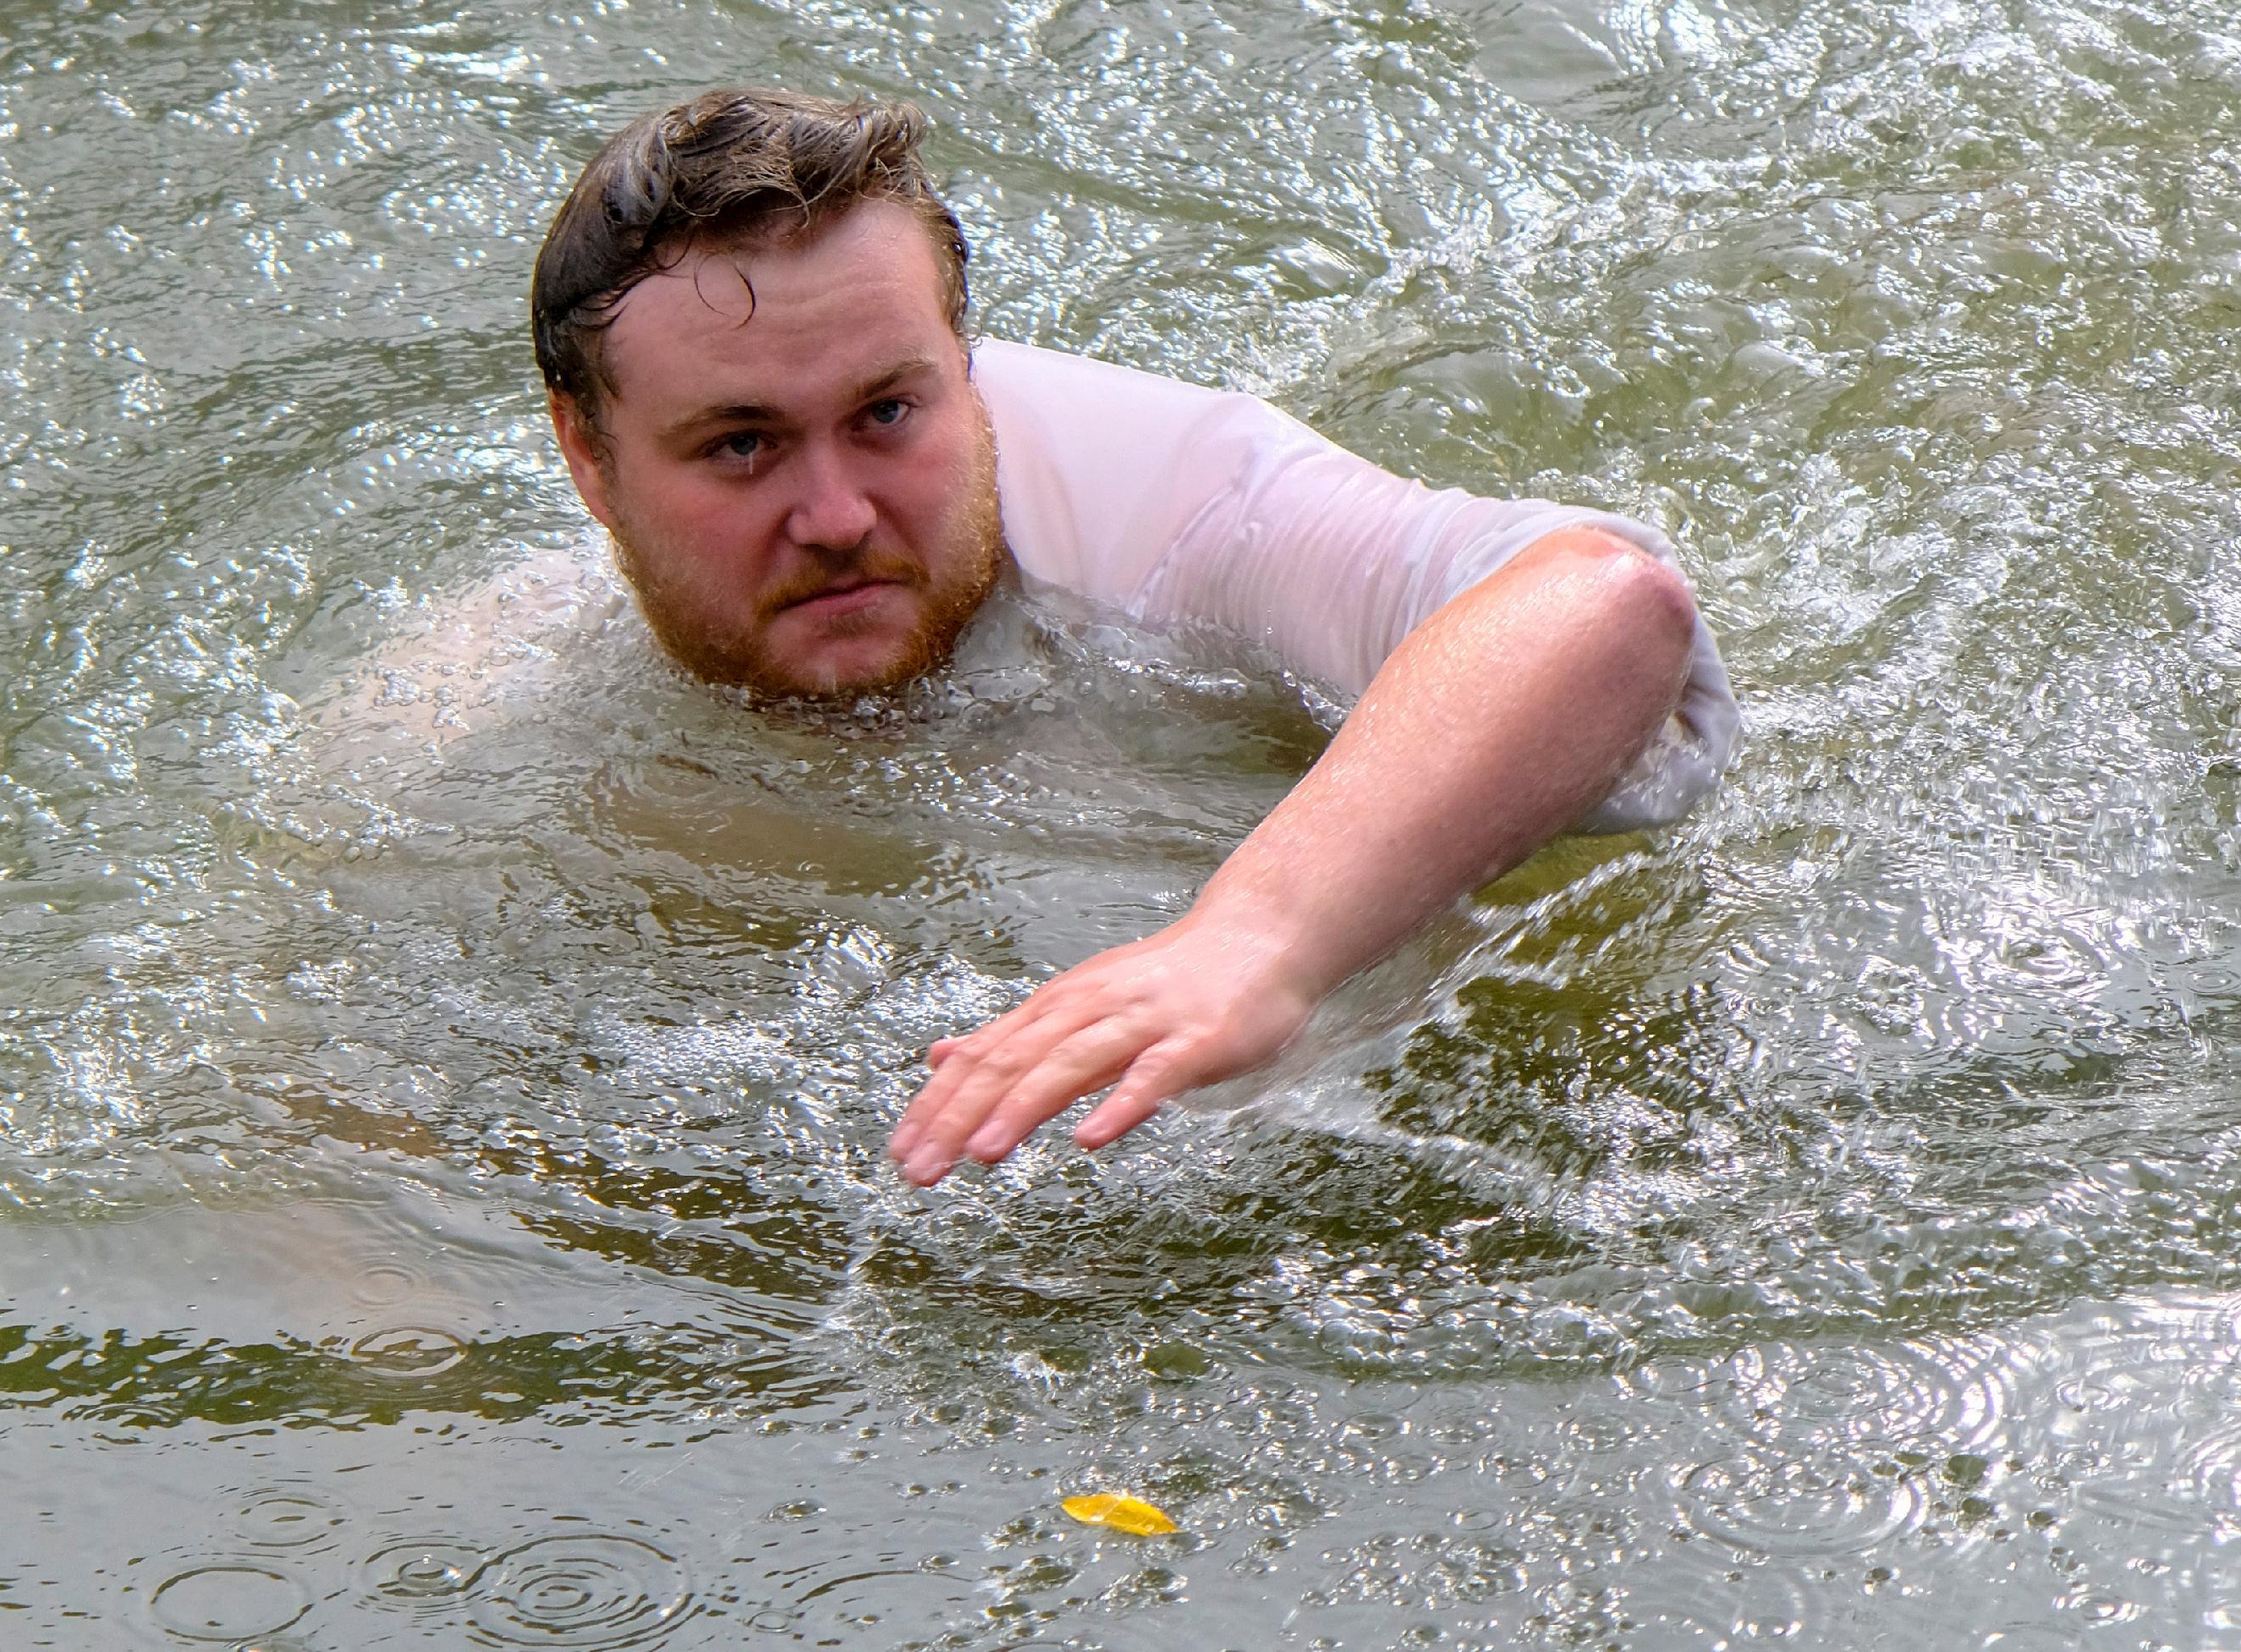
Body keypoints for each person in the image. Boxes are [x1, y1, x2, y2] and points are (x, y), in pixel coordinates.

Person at [447, 86, 1736, 1187]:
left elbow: (1609, 609)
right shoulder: (479, 688)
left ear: (967, 365)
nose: (837, 516)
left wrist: (1249, 945)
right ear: (589, 459)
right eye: (742, 446)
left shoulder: (1183, 511)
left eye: (891, 413)